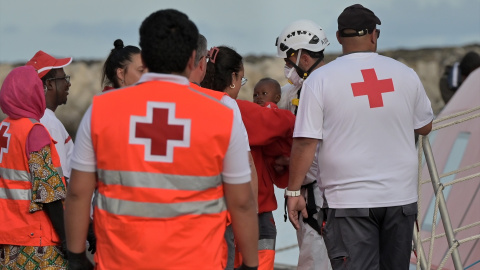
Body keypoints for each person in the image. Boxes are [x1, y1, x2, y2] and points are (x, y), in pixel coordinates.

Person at [64, 9, 258, 270]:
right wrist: (250, 264)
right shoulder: (223, 115)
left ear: (145, 55)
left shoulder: (101, 110)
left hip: (120, 262)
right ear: (193, 58)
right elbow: (242, 202)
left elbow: (78, 193)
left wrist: (76, 257)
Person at [287, 4, 434, 270]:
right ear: (374, 35)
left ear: (339, 37)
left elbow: (306, 142)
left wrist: (294, 191)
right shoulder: (405, 74)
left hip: (347, 201)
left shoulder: (319, 80)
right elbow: (424, 126)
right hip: (399, 198)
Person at [275, 19, 331, 270]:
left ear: (302, 58)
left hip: (317, 197)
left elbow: (309, 144)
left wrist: (293, 188)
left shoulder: (312, 90)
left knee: (315, 260)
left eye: (288, 62)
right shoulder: (293, 93)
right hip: (321, 195)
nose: (287, 69)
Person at [0, 65, 68, 269]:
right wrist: (67, 239)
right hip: (36, 241)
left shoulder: (4, 128)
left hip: (7, 239)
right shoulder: (34, 132)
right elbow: (49, 193)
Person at [200, 45, 259, 270]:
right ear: (233, 77)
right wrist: (250, 217)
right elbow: (248, 165)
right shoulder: (227, 105)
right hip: (220, 212)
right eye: (241, 80)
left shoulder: (192, 98)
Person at [26, 51, 74, 183]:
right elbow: (59, 181)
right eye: (64, 78)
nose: (68, 84)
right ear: (49, 84)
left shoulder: (31, 118)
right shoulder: (50, 123)